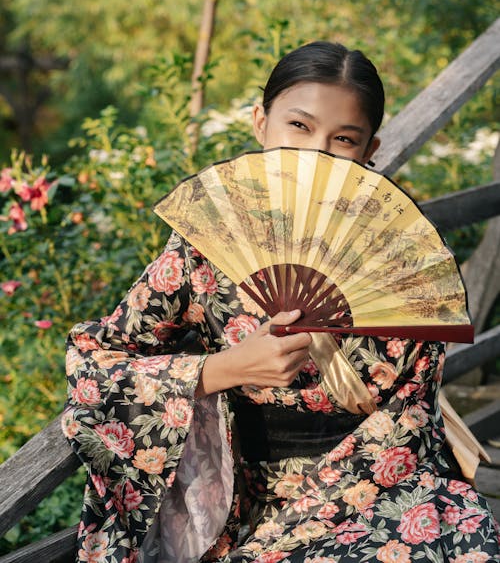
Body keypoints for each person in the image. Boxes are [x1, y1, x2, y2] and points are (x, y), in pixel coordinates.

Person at [63, 42, 499, 563]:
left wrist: (307, 521)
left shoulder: (403, 255)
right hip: (242, 499)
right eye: (298, 126)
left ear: (369, 150)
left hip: (374, 486)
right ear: (260, 122)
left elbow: (409, 418)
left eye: (343, 139)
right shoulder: (209, 242)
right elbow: (96, 361)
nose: (315, 153)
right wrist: (224, 368)